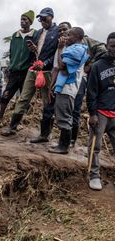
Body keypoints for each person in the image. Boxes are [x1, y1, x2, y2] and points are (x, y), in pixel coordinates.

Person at [1, 7, 59, 137]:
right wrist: (33, 49)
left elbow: (56, 52)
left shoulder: (57, 32)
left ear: (51, 17)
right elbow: (36, 51)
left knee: (47, 101)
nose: (42, 20)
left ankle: (45, 134)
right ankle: (12, 127)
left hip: (47, 71)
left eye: (45, 18)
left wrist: (44, 63)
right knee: (23, 98)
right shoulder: (38, 33)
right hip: (33, 69)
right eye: (40, 18)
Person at [0, 10, 37, 127]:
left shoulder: (35, 35)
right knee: (6, 95)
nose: (22, 22)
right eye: (21, 19)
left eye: (25, 19)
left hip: (27, 72)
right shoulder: (15, 35)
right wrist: (11, 65)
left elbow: (37, 52)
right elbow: (12, 52)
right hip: (14, 71)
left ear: (30, 22)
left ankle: (18, 123)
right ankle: (0, 120)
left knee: (24, 98)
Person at [48, 27, 88, 154]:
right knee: (63, 116)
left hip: (67, 88)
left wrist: (60, 48)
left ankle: (63, 147)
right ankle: (62, 144)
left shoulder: (77, 50)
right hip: (65, 87)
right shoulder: (74, 48)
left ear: (76, 38)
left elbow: (62, 68)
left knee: (64, 117)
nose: (66, 37)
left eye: (69, 35)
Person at [86, 32, 115, 191]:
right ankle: (94, 175)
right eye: (112, 46)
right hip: (101, 113)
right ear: (107, 46)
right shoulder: (98, 66)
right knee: (95, 146)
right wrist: (92, 113)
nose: (114, 50)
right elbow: (91, 92)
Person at [71, 35, 107, 146]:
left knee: (75, 109)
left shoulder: (85, 40)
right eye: (61, 31)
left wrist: (90, 65)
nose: (63, 33)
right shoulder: (64, 44)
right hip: (67, 79)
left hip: (81, 78)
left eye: (66, 31)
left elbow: (103, 49)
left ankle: (72, 140)